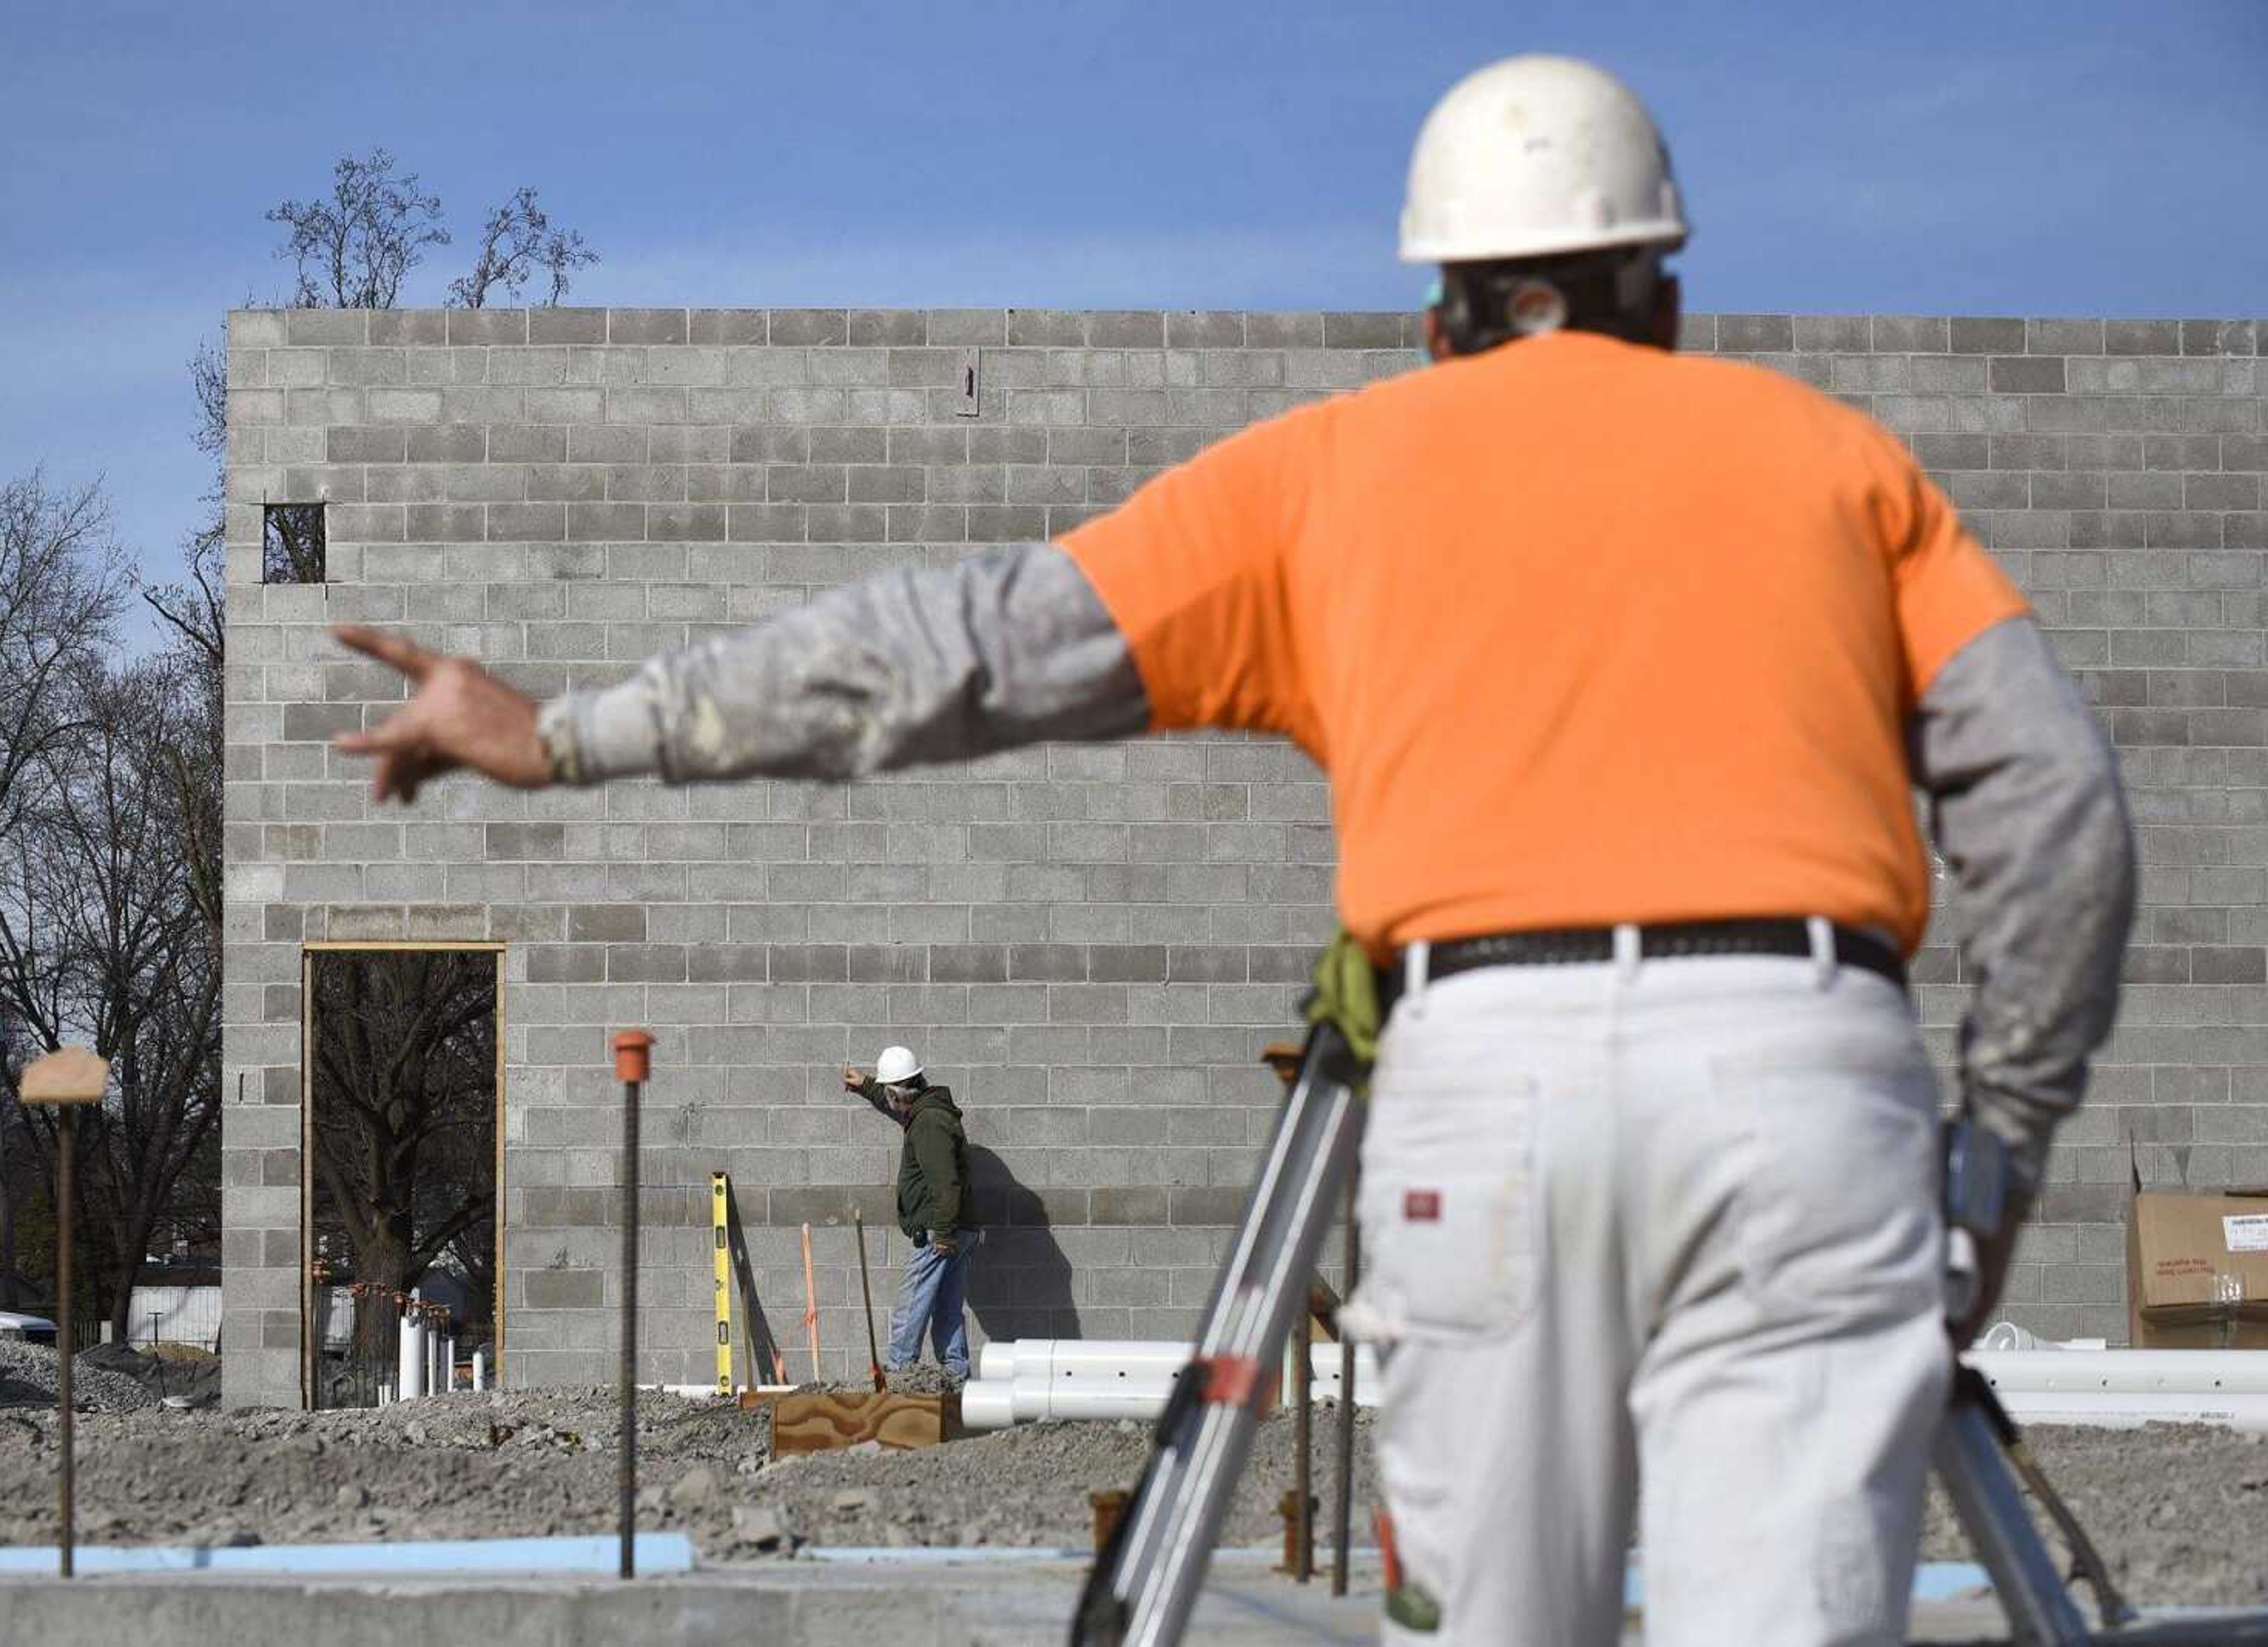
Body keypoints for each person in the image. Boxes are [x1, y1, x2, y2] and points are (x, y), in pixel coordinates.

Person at [329, 53, 2133, 1645]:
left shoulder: (1332, 474)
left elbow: (948, 648)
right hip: (1800, 1078)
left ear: (1437, 307)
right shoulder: (1835, 464)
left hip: (1482, 1083)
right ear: (1661, 287)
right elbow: (2058, 813)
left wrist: (570, 731)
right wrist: (1998, 1158)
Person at [841, 1045, 982, 1382]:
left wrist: (943, 1234)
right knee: (947, 1309)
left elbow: (946, 1182)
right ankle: (957, 1379)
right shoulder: (929, 1110)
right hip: (960, 1226)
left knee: (911, 1304)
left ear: (897, 1093)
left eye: (889, 1095)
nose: (892, 1106)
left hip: (939, 1228)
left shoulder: (929, 1123)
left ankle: (901, 1375)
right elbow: (898, 1108)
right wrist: (866, 1086)